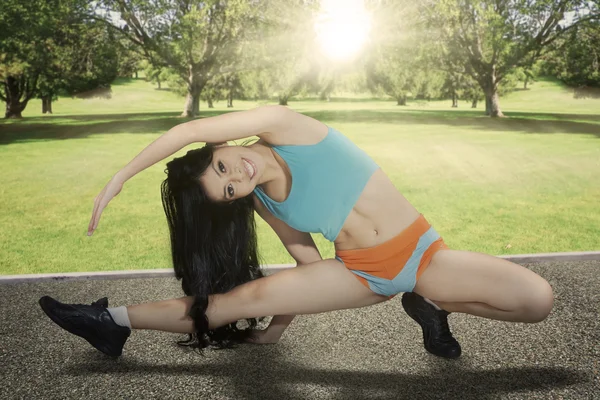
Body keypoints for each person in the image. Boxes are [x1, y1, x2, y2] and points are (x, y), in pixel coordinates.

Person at [39, 105, 554, 359]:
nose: (235, 178)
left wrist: (119, 177)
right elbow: (306, 260)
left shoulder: (288, 128)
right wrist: (278, 324)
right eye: (228, 191)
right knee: (240, 299)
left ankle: (431, 303)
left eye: (222, 167)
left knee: (537, 301)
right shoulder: (263, 199)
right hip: (360, 273)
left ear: (220, 146)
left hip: (421, 257)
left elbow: (187, 131)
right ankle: (110, 321)